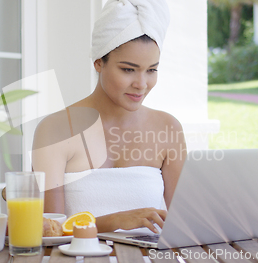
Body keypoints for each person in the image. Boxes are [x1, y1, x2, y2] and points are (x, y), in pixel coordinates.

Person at [32, 0, 186, 234]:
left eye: (152, 70)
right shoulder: (55, 129)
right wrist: (113, 222)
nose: (141, 84)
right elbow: (49, 230)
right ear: (98, 63)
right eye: (128, 69)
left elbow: (188, 225)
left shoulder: (168, 128)